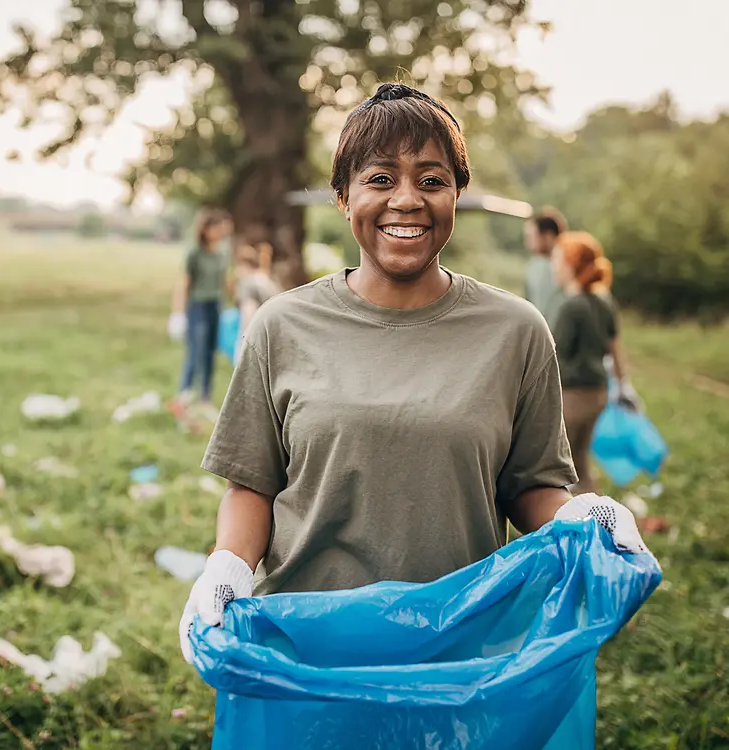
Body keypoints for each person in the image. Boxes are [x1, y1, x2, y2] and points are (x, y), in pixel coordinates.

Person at [179, 83, 649, 661]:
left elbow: (530, 485)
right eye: (380, 179)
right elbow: (252, 484)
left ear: (457, 194)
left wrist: (576, 514)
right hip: (309, 646)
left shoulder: (517, 330)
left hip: (459, 649)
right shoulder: (282, 325)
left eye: (432, 180)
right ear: (343, 198)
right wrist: (226, 566)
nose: (407, 199)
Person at [551, 231, 637, 494]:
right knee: (580, 464)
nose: (553, 267)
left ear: (571, 265)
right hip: (598, 393)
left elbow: (552, 358)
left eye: (557, 260)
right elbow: (615, 348)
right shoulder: (604, 302)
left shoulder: (572, 307)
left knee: (556, 469)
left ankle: (567, 525)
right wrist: (623, 385)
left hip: (572, 398)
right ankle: (596, 520)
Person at [167, 208, 233, 419]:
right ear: (204, 229)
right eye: (212, 227)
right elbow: (184, 283)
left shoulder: (222, 251)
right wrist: (177, 313)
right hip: (198, 306)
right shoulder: (195, 252)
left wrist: (239, 300)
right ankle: (183, 396)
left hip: (216, 305)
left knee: (210, 353)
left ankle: (205, 398)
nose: (217, 231)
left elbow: (225, 280)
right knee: (196, 351)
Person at [231, 244, 281, 364]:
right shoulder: (264, 279)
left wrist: (244, 342)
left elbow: (248, 312)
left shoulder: (248, 284)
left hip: (258, 334)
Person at [524, 208, 569, 328]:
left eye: (532, 236)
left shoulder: (569, 265)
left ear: (548, 236)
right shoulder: (534, 266)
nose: (528, 242)